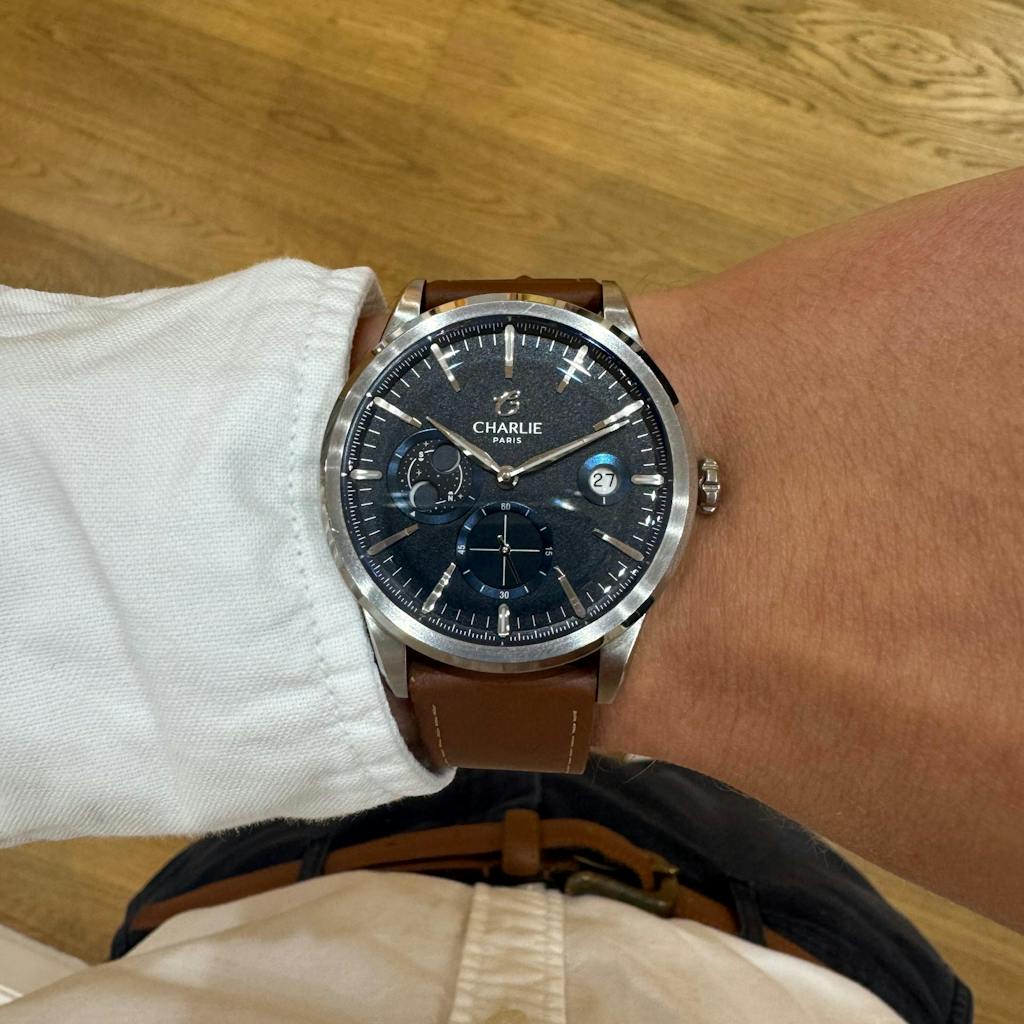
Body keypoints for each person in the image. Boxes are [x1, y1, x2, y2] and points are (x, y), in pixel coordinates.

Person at [0, 169, 1020, 1023]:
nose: (499, 478)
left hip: (268, 898)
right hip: (782, 940)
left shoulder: (641, 502)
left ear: (696, 482)